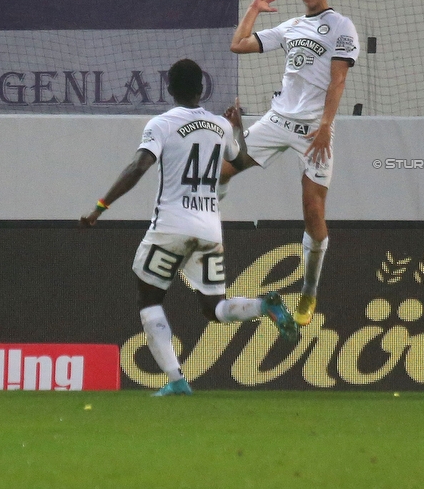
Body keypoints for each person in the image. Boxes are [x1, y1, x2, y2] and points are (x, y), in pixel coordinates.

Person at [80, 59, 299, 397]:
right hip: (210, 229)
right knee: (215, 309)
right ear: (202, 89)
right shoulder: (220, 126)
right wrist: (238, 127)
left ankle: (176, 379)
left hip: (170, 226)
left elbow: (139, 166)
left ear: (169, 88)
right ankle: (263, 306)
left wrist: (100, 206)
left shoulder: (162, 124)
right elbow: (239, 162)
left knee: (149, 297)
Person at [222, 0, 359, 330]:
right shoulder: (291, 25)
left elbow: (338, 80)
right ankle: (206, 233)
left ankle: (309, 290)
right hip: (277, 120)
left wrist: (327, 125)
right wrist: (253, 7)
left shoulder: (341, 27)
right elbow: (239, 43)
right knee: (219, 172)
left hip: (315, 130)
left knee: (313, 213)